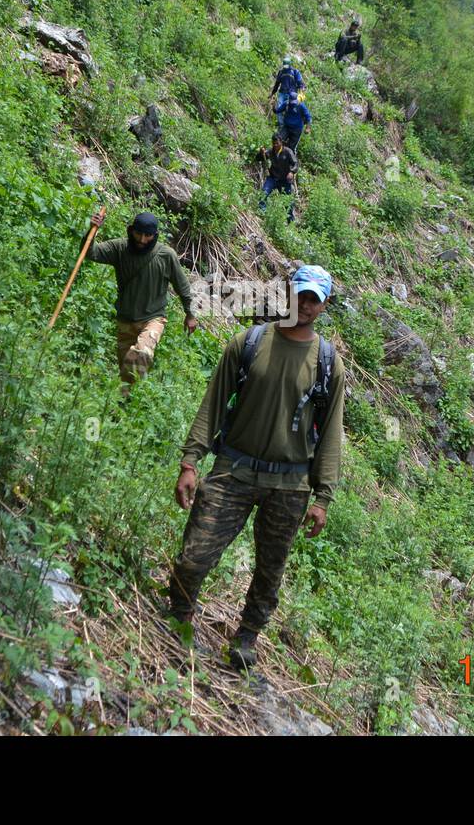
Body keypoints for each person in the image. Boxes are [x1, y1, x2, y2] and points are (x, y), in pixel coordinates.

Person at [168, 265, 345, 670]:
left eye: (314, 300)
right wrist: (190, 461)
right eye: (301, 294)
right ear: (287, 291)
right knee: (194, 556)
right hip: (235, 469)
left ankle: (247, 637)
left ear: (324, 304)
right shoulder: (248, 343)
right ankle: (180, 616)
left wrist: (323, 496)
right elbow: (212, 405)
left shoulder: (328, 363)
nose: (305, 305)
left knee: (270, 571)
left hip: (290, 483)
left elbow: (332, 432)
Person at [83, 210, 198, 392]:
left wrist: (190, 314)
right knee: (126, 370)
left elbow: (182, 287)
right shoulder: (119, 248)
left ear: (155, 236)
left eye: (148, 235)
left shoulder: (166, 255)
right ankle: (123, 404)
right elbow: (91, 253)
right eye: (138, 233)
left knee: (141, 354)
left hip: (153, 319)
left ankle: (124, 396)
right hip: (125, 319)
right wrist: (92, 230)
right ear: (131, 230)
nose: (142, 239)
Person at [257, 134, 299, 223]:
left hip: (285, 180)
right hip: (272, 178)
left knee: (288, 203)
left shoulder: (288, 152)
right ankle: (263, 216)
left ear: (281, 142)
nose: (275, 145)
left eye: (277, 143)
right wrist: (261, 153)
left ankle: (290, 222)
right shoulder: (270, 151)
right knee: (263, 194)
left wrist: (291, 172)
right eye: (273, 143)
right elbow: (259, 158)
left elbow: (295, 164)